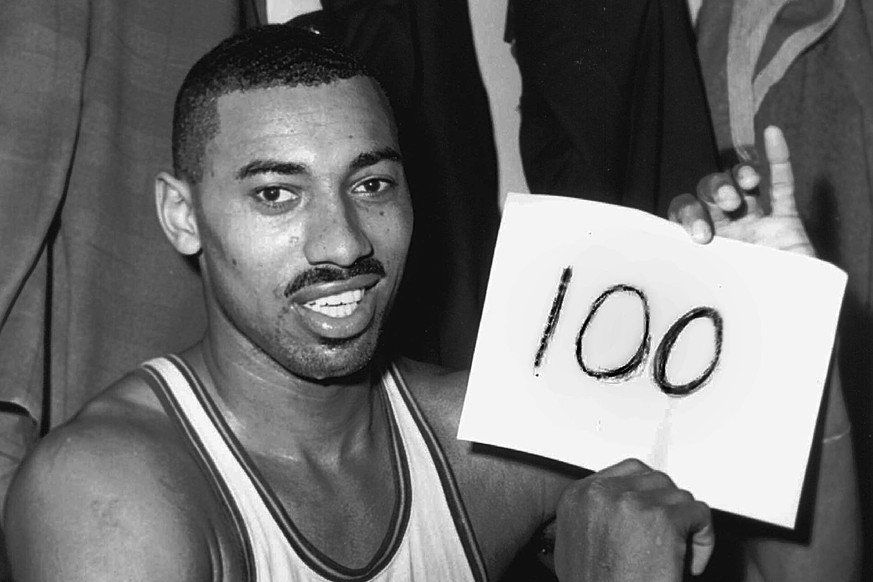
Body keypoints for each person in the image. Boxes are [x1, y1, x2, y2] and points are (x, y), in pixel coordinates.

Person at [2, 25, 859, 581]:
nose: (341, 244)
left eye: (371, 183)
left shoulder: (488, 430)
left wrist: (782, 342)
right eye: (275, 195)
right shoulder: (109, 494)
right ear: (181, 215)